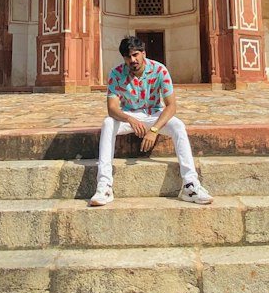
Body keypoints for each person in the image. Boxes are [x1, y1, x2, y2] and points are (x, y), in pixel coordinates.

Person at [89, 35, 213, 207]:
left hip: (154, 114)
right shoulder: (117, 73)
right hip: (129, 115)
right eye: (128, 57)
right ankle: (105, 185)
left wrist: (154, 130)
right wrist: (129, 119)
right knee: (108, 123)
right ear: (124, 58)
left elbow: (171, 106)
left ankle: (190, 185)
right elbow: (112, 108)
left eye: (136, 55)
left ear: (143, 54)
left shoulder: (159, 70)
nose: (132, 60)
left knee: (178, 126)